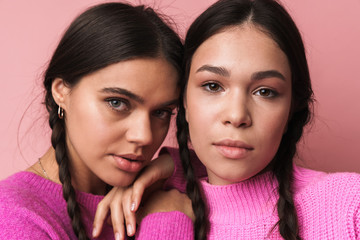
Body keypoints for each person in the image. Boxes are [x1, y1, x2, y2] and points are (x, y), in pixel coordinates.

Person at [129, 0, 360, 239]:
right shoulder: (140, 209)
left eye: (265, 92)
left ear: (292, 107)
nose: (236, 115)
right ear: (183, 98)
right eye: (212, 86)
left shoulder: (349, 206)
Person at [0, 2, 184, 240]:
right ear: (61, 92)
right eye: (117, 103)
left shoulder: (155, 188)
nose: (145, 136)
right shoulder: (14, 217)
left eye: (161, 112)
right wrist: (167, 220)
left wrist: (170, 166)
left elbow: (242, 171)